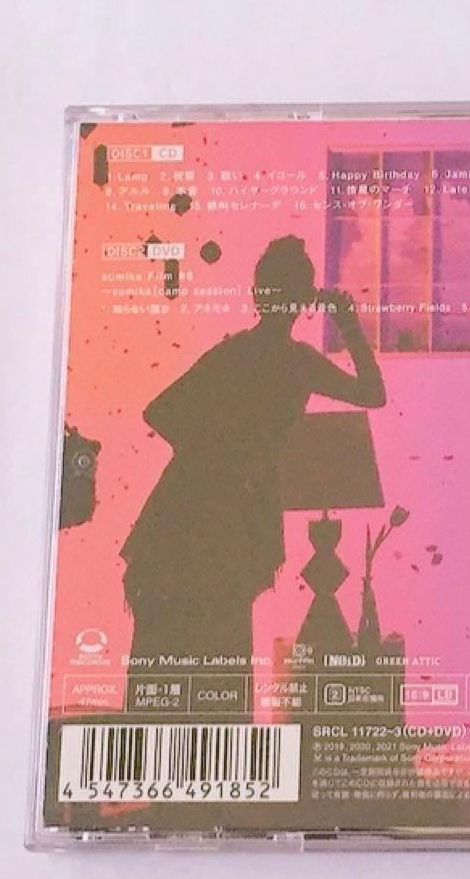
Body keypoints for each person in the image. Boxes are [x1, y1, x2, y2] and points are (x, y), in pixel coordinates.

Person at [122, 235, 386, 672]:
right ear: (302, 302)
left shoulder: (246, 354)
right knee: (216, 648)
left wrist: (216, 460)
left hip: (203, 514)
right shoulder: (292, 361)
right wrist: (347, 323)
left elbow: (162, 412)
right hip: (211, 517)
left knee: (200, 649)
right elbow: (372, 393)